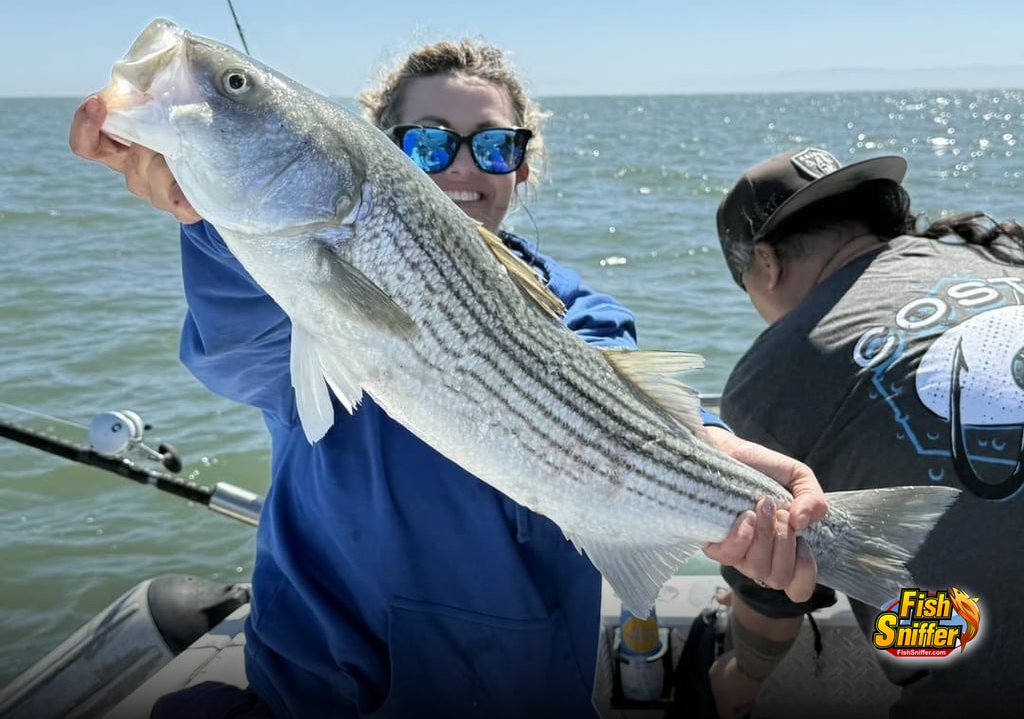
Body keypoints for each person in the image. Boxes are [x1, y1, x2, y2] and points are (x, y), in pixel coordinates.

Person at [69, 40, 827, 719]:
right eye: (429, 143)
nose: (464, 167)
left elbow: (619, 394)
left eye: (494, 146)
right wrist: (200, 213)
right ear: (383, 150)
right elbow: (242, 344)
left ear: (523, 166)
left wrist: (714, 453)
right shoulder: (288, 283)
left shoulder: (581, 310)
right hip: (315, 693)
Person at [709, 146, 1024, 719]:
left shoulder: (777, 370)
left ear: (765, 265)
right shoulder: (1007, 263)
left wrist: (739, 676)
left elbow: (772, 599)